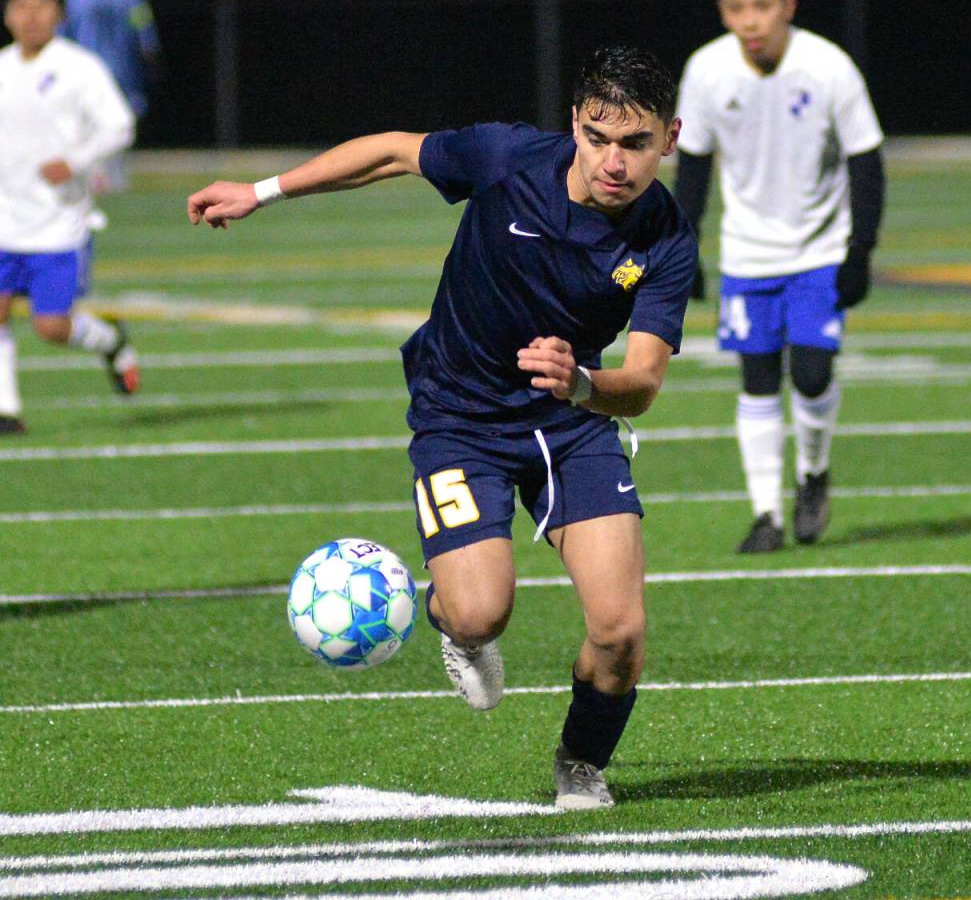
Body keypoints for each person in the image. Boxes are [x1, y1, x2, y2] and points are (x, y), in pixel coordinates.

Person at [188, 45, 697, 809]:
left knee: (621, 631)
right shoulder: (507, 159)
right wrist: (262, 191)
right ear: (575, 125)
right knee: (480, 608)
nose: (613, 161)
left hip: (571, 423)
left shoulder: (664, 238)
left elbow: (645, 382)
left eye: (635, 143)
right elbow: (393, 153)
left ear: (670, 138)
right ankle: (451, 626)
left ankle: (580, 763)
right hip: (458, 418)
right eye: (597, 137)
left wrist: (584, 381)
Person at [673, 0, 885, 553]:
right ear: (723, 12)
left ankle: (813, 475)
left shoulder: (828, 66)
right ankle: (765, 513)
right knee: (758, 378)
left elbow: (866, 159)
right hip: (747, 255)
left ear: (787, 5)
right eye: (737, 8)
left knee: (813, 373)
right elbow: (692, 166)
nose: (750, 21)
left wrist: (860, 250)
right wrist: (684, 248)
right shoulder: (707, 70)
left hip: (818, 248)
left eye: (761, 6)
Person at [0, 0, 141, 435]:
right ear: (7, 15)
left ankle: (109, 339)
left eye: (41, 5)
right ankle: (7, 409)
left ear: (59, 13)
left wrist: (76, 161)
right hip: (5, 220)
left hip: (58, 222)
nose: (31, 15)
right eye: (21, 4)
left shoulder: (80, 66)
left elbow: (120, 126)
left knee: (51, 328)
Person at [61, 0, 160, 191]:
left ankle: (116, 180)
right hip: (81, 74)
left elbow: (143, 25)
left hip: (122, 72)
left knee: (121, 124)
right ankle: (88, 179)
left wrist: (149, 48)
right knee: (82, 124)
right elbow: (60, 34)